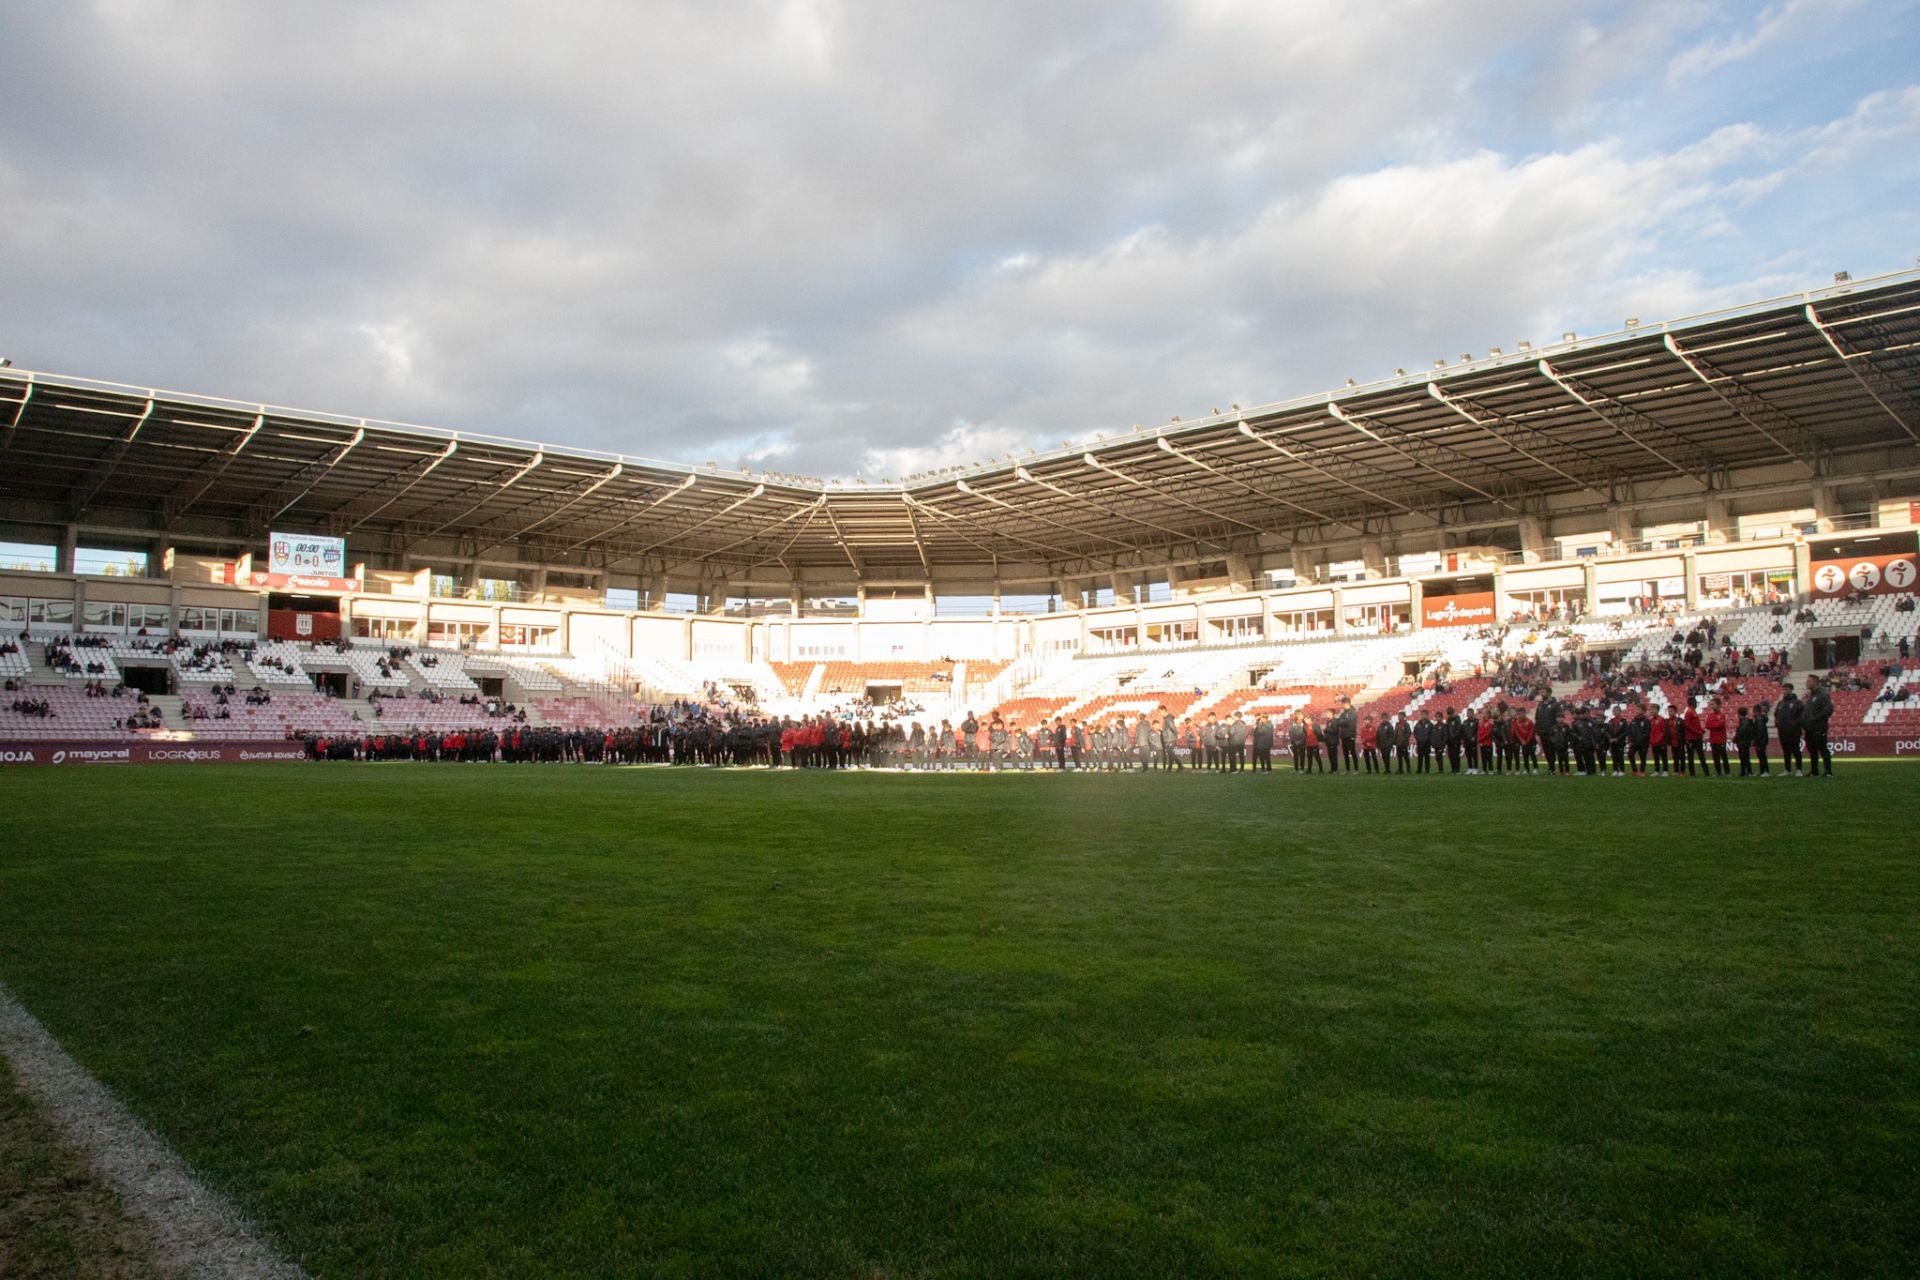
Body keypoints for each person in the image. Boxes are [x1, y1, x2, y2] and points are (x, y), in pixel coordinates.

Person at [1801, 676, 1834, 777]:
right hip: (1809, 728)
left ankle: (1828, 772)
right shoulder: (1811, 695)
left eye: (1809, 681)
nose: (1806, 683)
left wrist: (1814, 718)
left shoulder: (1823, 695)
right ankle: (1814, 771)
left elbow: (1828, 710)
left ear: (1815, 682)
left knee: (1823, 749)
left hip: (1819, 727)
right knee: (1812, 750)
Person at [1774, 691, 1803, 776]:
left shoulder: (1797, 703)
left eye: (1786, 689)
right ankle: (1787, 769)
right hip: (1782, 731)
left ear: (1791, 690)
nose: (1784, 691)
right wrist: (1777, 723)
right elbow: (1776, 714)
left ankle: (1799, 769)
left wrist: (1794, 724)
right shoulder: (1781, 703)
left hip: (1794, 731)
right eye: (1784, 689)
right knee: (1786, 751)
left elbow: (1801, 716)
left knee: (1796, 750)